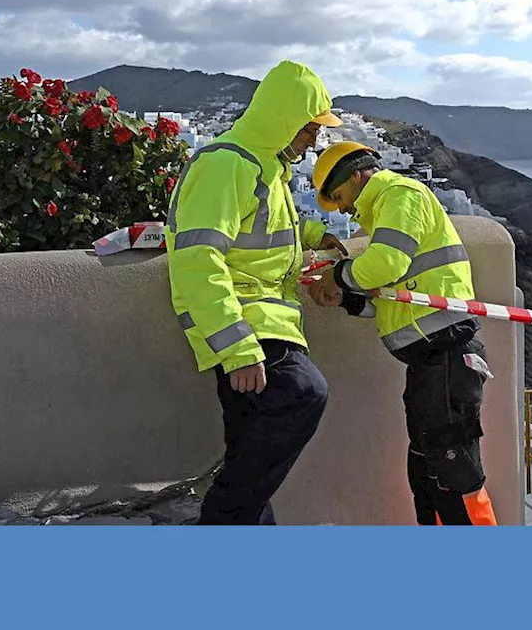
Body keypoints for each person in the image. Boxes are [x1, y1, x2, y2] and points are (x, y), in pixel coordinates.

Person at [166, 60, 347, 525]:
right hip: (248, 326)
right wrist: (237, 347)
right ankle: (218, 519)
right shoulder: (227, 163)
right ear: (282, 118)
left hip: (260, 323)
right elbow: (197, 258)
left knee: (249, 453)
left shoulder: (265, 167)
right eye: (308, 129)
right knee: (304, 392)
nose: (313, 141)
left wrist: (313, 234)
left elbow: (267, 225)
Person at [305, 140, 498, 526]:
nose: (343, 208)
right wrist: (345, 298)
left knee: (453, 476)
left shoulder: (399, 194)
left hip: (446, 355)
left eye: (340, 196)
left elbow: (385, 265)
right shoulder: (385, 216)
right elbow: (393, 301)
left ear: (358, 176)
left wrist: (337, 276)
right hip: (430, 364)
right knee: (428, 477)